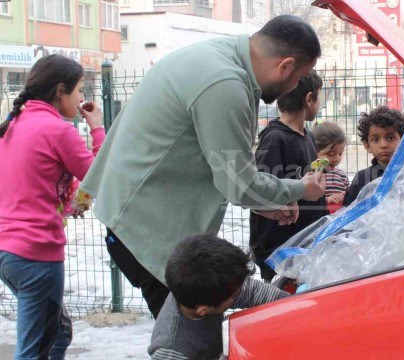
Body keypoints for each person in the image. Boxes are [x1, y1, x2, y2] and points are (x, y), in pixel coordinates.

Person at [79, 15, 325, 318]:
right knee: (191, 338)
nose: (295, 86)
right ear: (284, 66)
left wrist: (265, 202)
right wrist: (302, 188)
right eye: (300, 76)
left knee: (194, 331)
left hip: (138, 215)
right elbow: (240, 185)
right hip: (147, 230)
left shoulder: (219, 57)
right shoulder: (225, 84)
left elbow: (222, 166)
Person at [0, 54, 105, 360]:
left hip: (5, 254)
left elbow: (34, 185)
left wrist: (72, 201)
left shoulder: (13, 124)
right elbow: (100, 174)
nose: (83, 97)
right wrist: (97, 128)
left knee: (59, 333)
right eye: (80, 89)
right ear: (60, 90)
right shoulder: (58, 130)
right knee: (33, 351)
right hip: (36, 258)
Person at [149, 234, 289, 360]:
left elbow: (252, 291)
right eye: (235, 295)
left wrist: (293, 304)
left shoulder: (202, 288)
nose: (241, 292)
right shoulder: (171, 351)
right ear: (203, 310)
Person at [249, 70, 329, 282]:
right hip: (280, 250)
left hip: (305, 242)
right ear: (309, 99)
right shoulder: (275, 139)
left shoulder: (307, 135)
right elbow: (262, 189)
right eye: (319, 96)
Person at [343, 106, 404, 207]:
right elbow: (346, 212)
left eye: (390, 138)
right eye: (375, 140)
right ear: (367, 145)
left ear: (403, 140)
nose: (383, 145)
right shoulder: (362, 178)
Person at [313, 121, 349, 213]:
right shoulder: (311, 176)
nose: (336, 159)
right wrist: (327, 200)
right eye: (331, 154)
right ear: (314, 151)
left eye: (340, 153)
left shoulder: (341, 175)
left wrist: (346, 196)